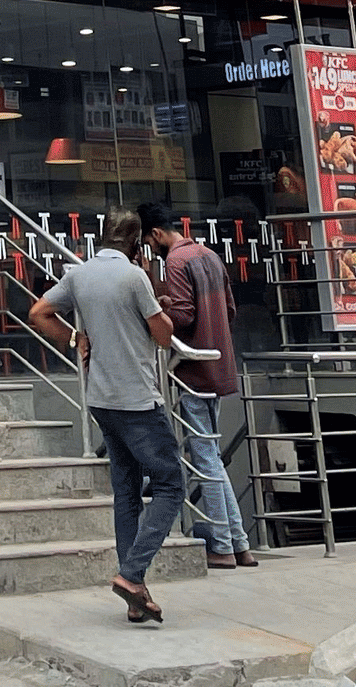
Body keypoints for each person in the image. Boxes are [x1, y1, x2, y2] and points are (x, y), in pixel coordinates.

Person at [28, 209, 181, 624]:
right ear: (136, 243)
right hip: (137, 400)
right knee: (170, 485)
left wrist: (75, 338)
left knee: (126, 491)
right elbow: (163, 336)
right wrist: (154, 297)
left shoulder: (80, 274)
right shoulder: (134, 276)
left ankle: (135, 595)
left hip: (101, 398)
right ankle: (132, 574)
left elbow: (38, 312)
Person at [140, 204, 258, 572]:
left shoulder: (176, 262)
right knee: (212, 457)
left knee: (205, 459)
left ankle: (223, 546)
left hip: (193, 371)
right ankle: (239, 544)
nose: (150, 249)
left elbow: (183, 315)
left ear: (156, 234)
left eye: (148, 242)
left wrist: (156, 309)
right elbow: (230, 309)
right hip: (218, 366)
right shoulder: (209, 254)